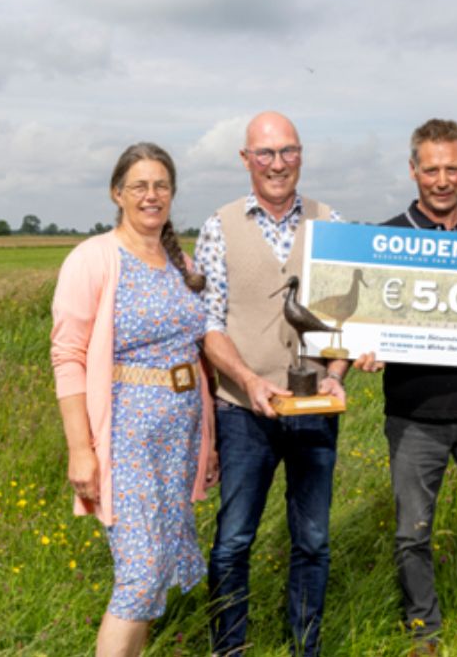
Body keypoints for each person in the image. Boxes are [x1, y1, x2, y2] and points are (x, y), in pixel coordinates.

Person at [355, 119, 457, 652]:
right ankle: (424, 632)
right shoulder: (386, 236)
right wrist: (363, 346)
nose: (442, 179)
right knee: (411, 535)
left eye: (452, 168)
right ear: (413, 171)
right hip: (412, 415)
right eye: (431, 169)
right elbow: (364, 316)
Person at [50, 142, 218, 656]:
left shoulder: (179, 260)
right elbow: (68, 355)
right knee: (142, 574)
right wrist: (81, 448)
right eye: (140, 186)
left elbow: (196, 352)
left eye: (161, 185)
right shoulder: (94, 257)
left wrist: (207, 442)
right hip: (126, 436)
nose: (152, 195)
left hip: (180, 436)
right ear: (117, 193)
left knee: (157, 568)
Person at [195, 111, 350, 657]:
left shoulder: (333, 224)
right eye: (265, 153)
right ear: (246, 159)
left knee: (312, 542)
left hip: (313, 412)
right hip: (242, 412)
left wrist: (334, 376)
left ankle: (305, 647)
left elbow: (343, 323)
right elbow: (209, 326)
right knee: (233, 542)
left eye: (287, 151)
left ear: (301, 155)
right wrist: (247, 381)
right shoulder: (219, 225)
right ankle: (229, 648)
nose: (277, 164)